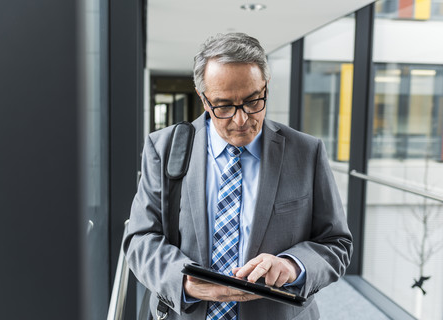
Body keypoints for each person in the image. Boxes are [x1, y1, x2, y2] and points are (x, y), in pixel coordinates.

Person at [123, 33, 353, 320]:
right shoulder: (165, 148)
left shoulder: (306, 152)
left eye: (253, 101)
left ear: (265, 87)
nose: (241, 119)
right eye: (224, 106)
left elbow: (336, 243)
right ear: (203, 99)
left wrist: (292, 266)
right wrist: (184, 281)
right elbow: (141, 237)